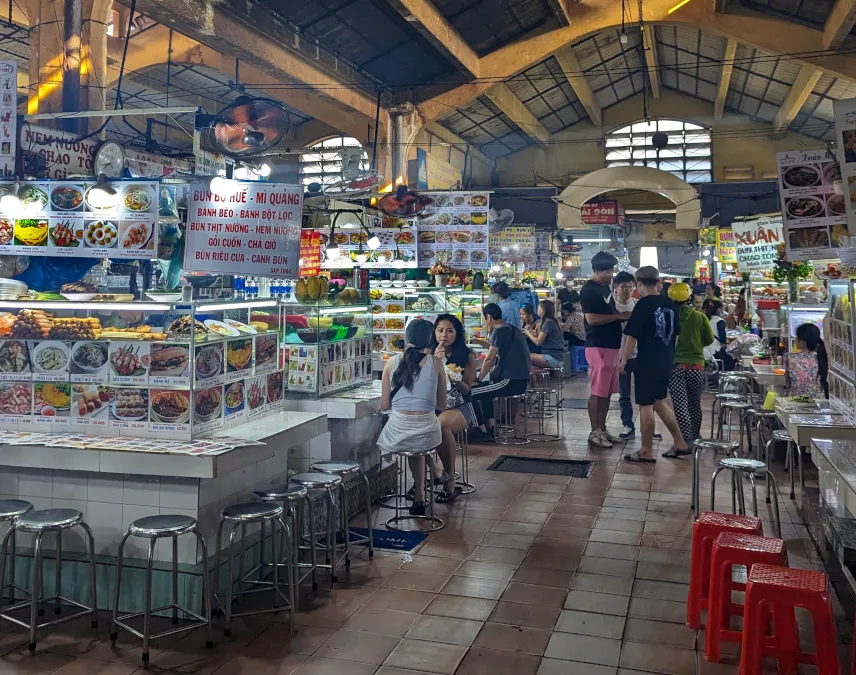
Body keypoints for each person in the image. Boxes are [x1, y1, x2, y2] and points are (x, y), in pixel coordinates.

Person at [619, 267, 689, 462]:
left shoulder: (643, 305)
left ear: (639, 284)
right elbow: (675, 336)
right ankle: (680, 443)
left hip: (647, 361)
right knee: (659, 402)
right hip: (666, 361)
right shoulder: (671, 304)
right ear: (658, 282)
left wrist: (623, 359)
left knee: (645, 406)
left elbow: (632, 336)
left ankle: (646, 450)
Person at [378, 319, 447, 515]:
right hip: (428, 432)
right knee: (420, 438)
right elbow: (442, 405)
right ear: (430, 339)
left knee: (412, 438)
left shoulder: (391, 363)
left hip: (397, 433)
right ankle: (422, 490)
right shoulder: (436, 363)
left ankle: (423, 488)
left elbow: (385, 406)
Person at [580, 251, 630, 448]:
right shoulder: (589, 291)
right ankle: (594, 432)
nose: (610, 274)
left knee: (608, 392)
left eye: (611, 270)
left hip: (612, 345)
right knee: (597, 391)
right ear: (596, 270)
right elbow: (591, 320)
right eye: (606, 271)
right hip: (597, 345)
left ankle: (602, 428)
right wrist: (618, 317)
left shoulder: (605, 288)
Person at [430, 314, 476, 501]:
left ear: (457, 333)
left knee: (441, 426)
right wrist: (434, 362)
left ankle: (449, 483)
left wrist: (454, 378)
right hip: (432, 406)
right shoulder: (428, 353)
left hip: (459, 406)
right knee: (416, 426)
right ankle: (432, 474)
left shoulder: (467, 355)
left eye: (449, 331)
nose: (444, 335)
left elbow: (467, 389)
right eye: (440, 330)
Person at [665, 282, 714, 457]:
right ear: (689, 298)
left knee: (680, 405)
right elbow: (708, 340)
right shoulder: (700, 317)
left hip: (676, 366)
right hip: (697, 366)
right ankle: (694, 437)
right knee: (694, 403)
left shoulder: (668, 317)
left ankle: (684, 441)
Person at [469, 303, 531, 440]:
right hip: (520, 379)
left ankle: (481, 430)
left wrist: (478, 379)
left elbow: (490, 357)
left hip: (510, 380)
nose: (484, 323)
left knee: (471, 393)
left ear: (488, 317)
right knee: (485, 391)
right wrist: (478, 341)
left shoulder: (499, 330)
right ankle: (490, 427)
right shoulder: (511, 328)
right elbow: (494, 347)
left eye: (484, 320)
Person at [612, 271, 638, 438]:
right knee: (624, 393)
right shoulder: (611, 308)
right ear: (616, 288)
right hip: (619, 355)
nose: (627, 290)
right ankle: (627, 424)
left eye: (631, 286)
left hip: (639, 354)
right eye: (624, 286)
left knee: (645, 392)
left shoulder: (638, 305)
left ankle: (650, 425)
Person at [785, 323, 828, 399]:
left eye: (797, 337)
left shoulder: (791, 358)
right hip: (818, 402)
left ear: (802, 341)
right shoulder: (823, 357)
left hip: (795, 400)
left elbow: (788, 384)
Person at [524, 299, 567, 369]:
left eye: (538, 308)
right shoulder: (551, 321)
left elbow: (538, 342)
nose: (537, 310)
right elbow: (542, 338)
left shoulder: (548, 322)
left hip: (553, 357)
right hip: (553, 355)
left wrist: (528, 333)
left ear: (543, 310)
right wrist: (532, 332)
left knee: (523, 357)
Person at [704, 300, 734, 370]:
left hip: (705, 350)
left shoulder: (705, 319)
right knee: (732, 359)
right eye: (722, 309)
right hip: (715, 351)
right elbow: (722, 340)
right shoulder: (720, 321)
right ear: (718, 309)